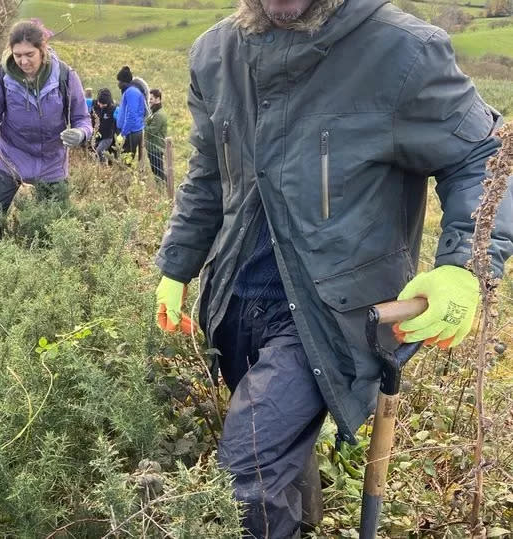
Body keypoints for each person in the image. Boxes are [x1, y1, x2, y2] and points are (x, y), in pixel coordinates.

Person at [153, 0, 513, 537]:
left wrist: (466, 265)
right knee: (276, 447)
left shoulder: (401, 51)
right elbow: (209, 175)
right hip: (232, 299)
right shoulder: (215, 53)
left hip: (336, 313)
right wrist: (178, 266)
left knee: (249, 463)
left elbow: (484, 155)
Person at [0, 19, 92, 250]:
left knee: (56, 225)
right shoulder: (3, 76)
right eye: (17, 55)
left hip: (52, 162)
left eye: (29, 54)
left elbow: (82, 119)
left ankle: (50, 267)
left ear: (42, 50)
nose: (23, 61)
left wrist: (80, 133)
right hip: (10, 156)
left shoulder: (65, 75)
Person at [115, 65, 147, 162]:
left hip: (130, 133)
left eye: (119, 81)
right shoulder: (129, 91)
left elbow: (131, 114)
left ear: (123, 81)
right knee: (124, 160)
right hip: (129, 131)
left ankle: (126, 177)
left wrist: (123, 133)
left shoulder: (131, 92)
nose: (118, 83)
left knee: (126, 162)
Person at [145, 88, 167, 181]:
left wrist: (143, 125)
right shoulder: (155, 112)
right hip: (153, 146)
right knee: (156, 171)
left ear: (158, 99)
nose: (149, 101)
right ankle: (162, 188)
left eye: (151, 99)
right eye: (149, 99)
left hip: (156, 147)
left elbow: (151, 131)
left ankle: (165, 188)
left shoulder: (158, 115)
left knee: (158, 172)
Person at [93, 88, 117, 164]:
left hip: (107, 137)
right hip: (96, 135)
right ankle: (99, 167)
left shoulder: (113, 109)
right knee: (93, 152)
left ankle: (103, 167)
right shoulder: (94, 105)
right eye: (99, 103)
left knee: (99, 151)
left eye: (103, 104)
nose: (100, 105)